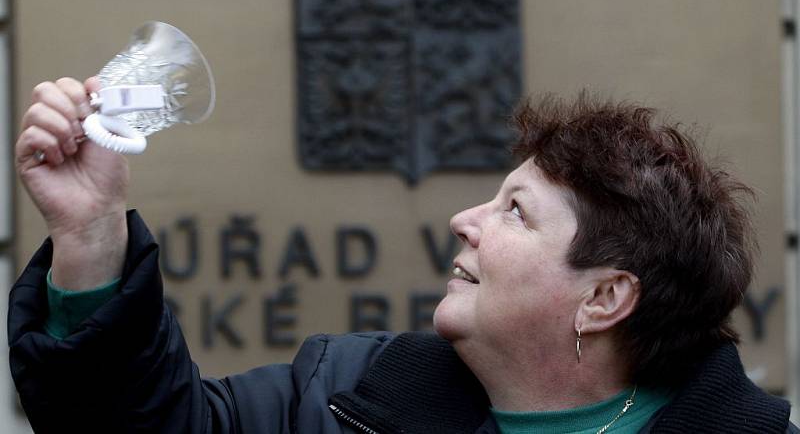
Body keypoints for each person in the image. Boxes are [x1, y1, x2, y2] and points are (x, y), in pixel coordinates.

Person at [8, 76, 798, 434]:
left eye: (513, 211)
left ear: (604, 297)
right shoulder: (345, 398)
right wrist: (91, 229)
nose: (464, 221)